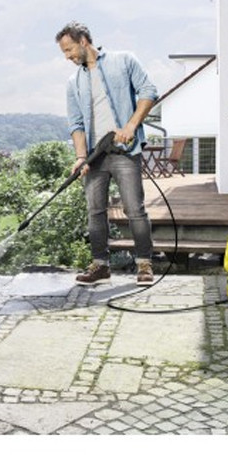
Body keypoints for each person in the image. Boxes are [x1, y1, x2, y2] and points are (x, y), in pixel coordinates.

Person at [56, 21, 158, 285]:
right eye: (64, 52)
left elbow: (149, 91)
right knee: (95, 211)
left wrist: (131, 126)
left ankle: (144, 264)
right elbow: (76, 123)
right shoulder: (74, 82)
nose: (67, 56)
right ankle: (100, 266)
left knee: (134, 209)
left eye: (69, 49)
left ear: (83, 41)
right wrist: (81, 157)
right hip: (94, 156)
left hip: (125, 150)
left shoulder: (123, 61)